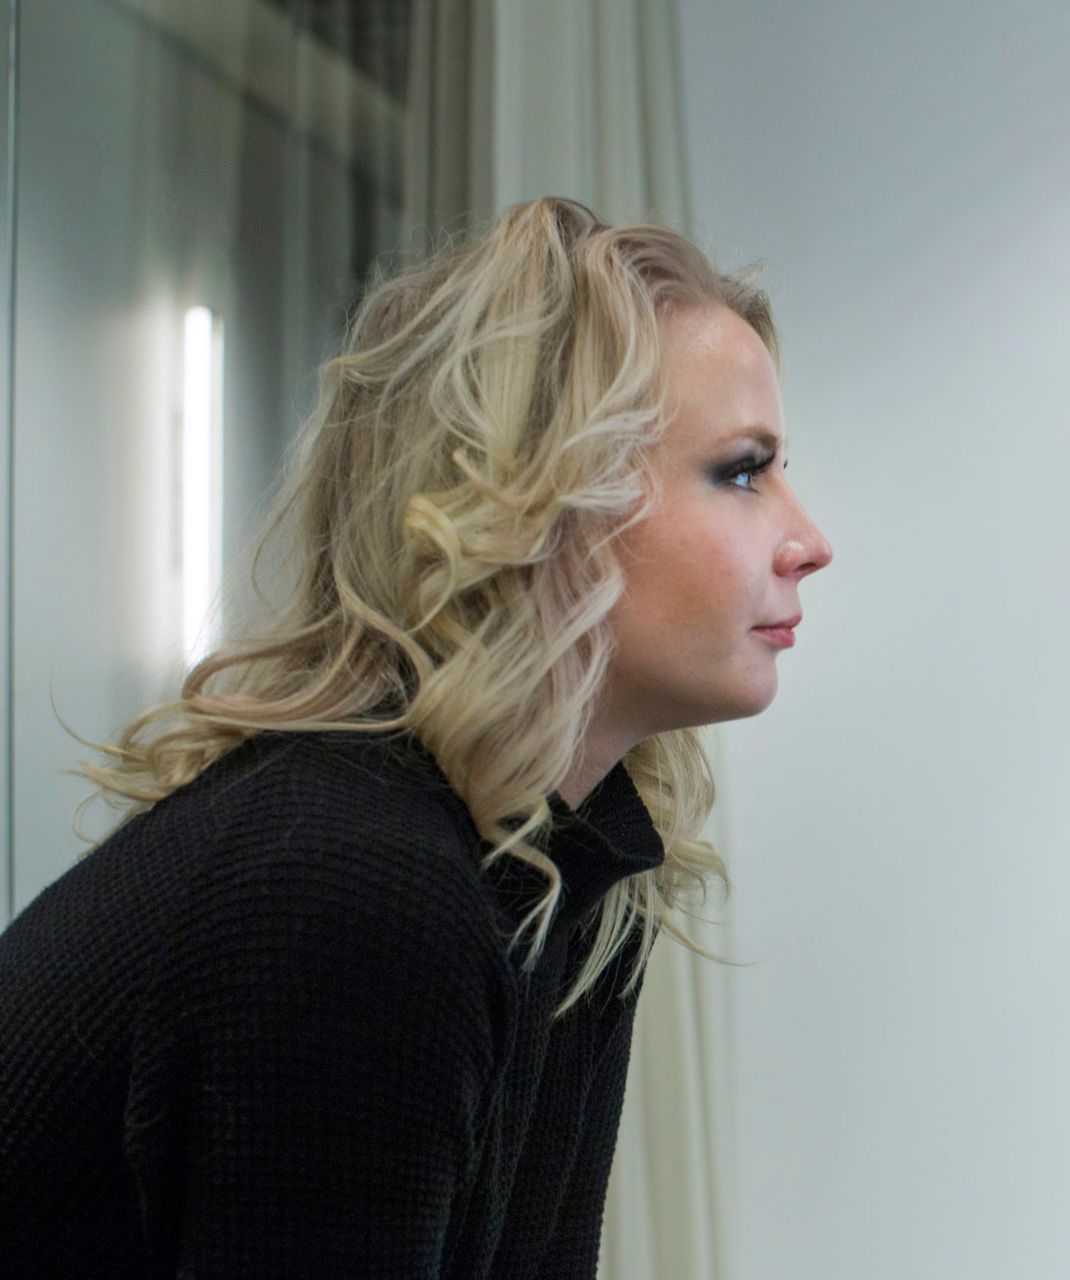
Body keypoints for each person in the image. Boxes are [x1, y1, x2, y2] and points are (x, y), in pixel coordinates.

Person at [0, 197, 832, 1275]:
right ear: (547, 502)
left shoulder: (570, 879)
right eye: (740, 470)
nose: (808, 539)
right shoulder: (353, 881)